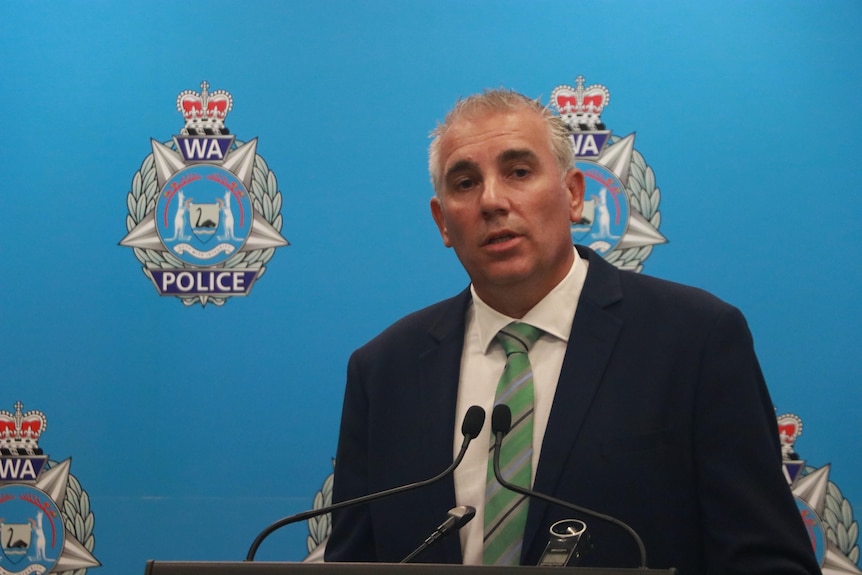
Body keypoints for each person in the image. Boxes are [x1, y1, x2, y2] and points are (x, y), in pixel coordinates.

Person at [324, 89, 821, 574]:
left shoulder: (694, 340)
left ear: (573, 194)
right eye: (465, 183)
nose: (493, 201)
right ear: (443, 223)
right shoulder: (384, 371)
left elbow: (768, 559)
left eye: (518, 172)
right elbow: (351, 564)